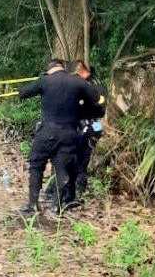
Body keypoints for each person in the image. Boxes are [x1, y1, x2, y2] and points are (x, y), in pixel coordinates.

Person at [18, 58, 103, 215]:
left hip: (47, 131)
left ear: (50, 70)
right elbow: (98, 100)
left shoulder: (45, 80)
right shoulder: (78, 82)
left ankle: (33, 204)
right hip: (69, 133)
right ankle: (57, 206)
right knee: (62, 169)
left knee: (36, 166)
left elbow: (23, 93)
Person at [44, 60, 106, 202]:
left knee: (81, 160)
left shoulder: (93, 85)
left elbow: (98, 107)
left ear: (80, 72)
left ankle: (77, 190)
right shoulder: (81, 84)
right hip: (76, 127)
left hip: (91, 127)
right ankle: (57, 190)